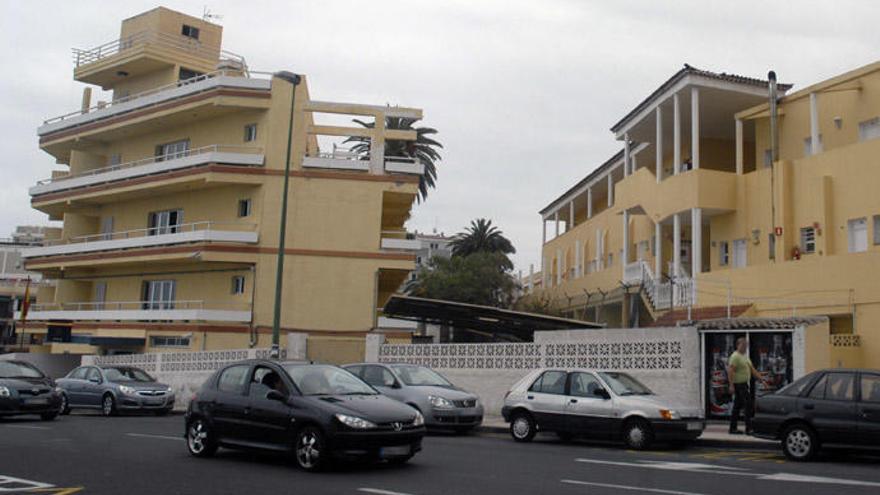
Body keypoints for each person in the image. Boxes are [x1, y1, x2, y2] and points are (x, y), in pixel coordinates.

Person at [727, 337, 768, 434]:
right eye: (743, 345)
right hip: (739, 385)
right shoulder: (735, 356)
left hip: (744, 384)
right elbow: (730, 370)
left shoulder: (744, 356)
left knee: (737, 406)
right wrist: (731, 385)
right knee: (748, 405)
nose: (745, 347)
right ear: (738, 345)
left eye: (746, 345)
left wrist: (762, 380)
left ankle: (733, 428)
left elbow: (752, 370)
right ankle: (748, 428)